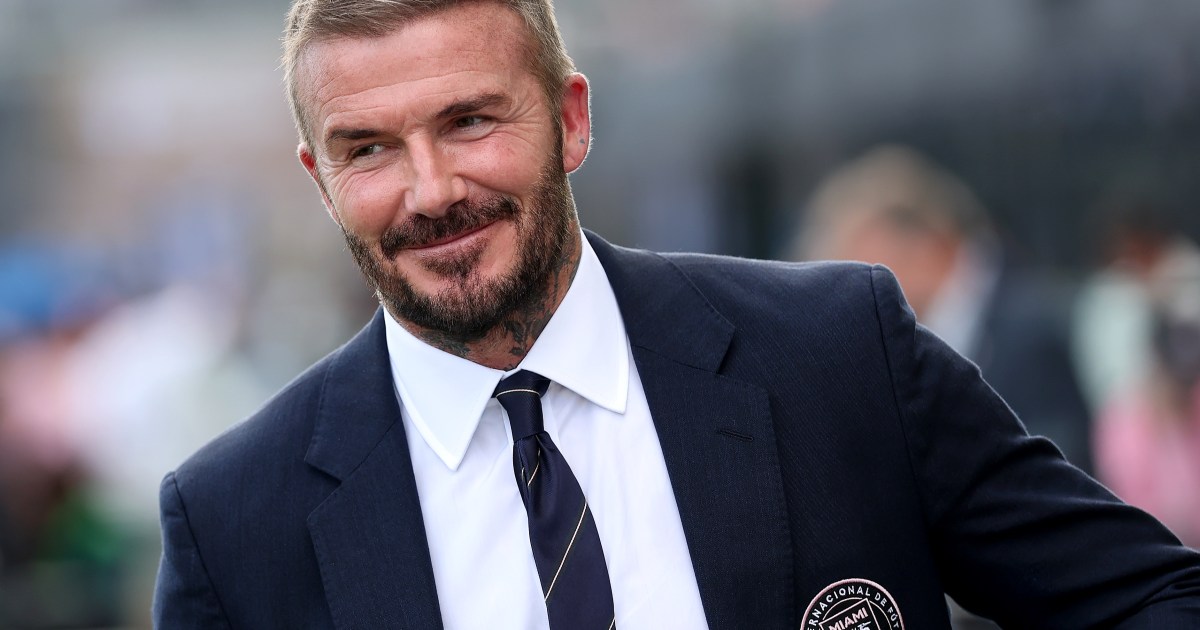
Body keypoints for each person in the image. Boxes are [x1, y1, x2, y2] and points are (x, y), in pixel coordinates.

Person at [153, 1, 1200, 628]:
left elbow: (1150, 599)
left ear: (570, 120)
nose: (430, 191)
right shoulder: (233, 521)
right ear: (320, 179)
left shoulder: (839, 352)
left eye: (468, 121)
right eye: (370, 148)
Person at [791, 145, 1093, 474]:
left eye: (864, 272)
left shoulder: (1025, 330)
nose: (854, 302)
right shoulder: (949, 330)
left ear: (926, 246)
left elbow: (1058, 474)